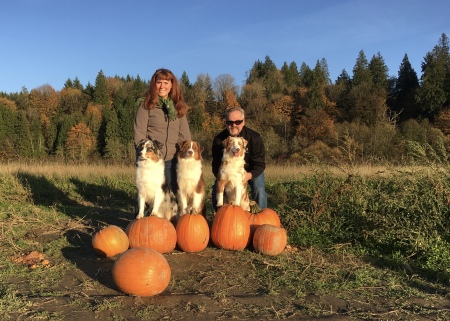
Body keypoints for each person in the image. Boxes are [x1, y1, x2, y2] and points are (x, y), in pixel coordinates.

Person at [134, 68, 191, 194]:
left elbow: (185, 136)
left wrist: (185, 157)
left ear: (171, 85)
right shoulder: (146, 106)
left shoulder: (178, 108)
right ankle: (142, 214)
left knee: (171, 196)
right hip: (151, 160)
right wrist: (144, 153)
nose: (162, 86)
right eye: (159, 82)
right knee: (147, 194)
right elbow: (139, 132)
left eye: (166, 83)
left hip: (172, 160)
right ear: (154, 84)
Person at [211, 107, 267, 210]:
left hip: (251, 170)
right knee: (216, 190)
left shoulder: (254, 138)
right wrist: (224, 177)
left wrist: (248, 176)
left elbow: (260, 164)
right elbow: (215, 165)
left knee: (259, 189)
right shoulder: (219, 140)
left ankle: (260, 215)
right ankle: (219, 216)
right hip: (228, 171)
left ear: (243, 122)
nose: (234, 125)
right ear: (225, 123)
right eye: (230, 122)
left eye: (238, 122)